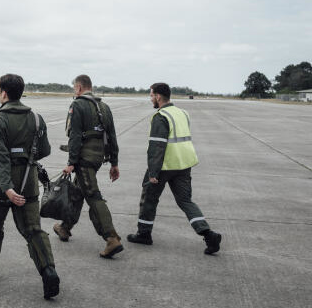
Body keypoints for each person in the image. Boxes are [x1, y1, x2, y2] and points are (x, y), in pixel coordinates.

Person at [0, 73, 60, 300]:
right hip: (29, 182)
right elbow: (45, 150)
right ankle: (48, 271)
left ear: (3, 92)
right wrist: (25, 156)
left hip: (1, 186)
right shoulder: (36, 119)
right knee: (33, 230)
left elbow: (0, 158)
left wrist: (8, 188)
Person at [127, 83, 222, 255]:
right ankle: (208, 234)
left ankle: (144, 234)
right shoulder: (182, 113)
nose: (151, 99)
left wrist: (153, 172)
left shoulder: (161, 116)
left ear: (158, 96)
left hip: (165, 165)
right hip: (184, 164)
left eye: (151, 96)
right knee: (185, 201)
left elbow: (157, 146)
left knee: (149, 198)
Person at [53, 74, 123, 259]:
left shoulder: (78, 105)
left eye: (73, 88)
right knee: (78, 191)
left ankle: (111, 237)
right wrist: (114, 163)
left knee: (93, 196)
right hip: (98, 157)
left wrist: (71, 163)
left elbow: (75, 136)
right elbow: (113, 137)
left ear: (78, 87)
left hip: (84, 159)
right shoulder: (104, 107)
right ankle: (65, 227)